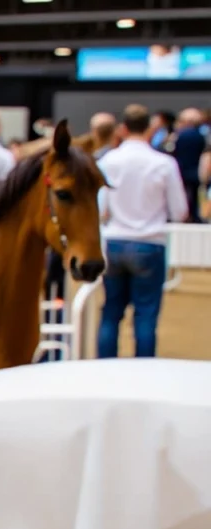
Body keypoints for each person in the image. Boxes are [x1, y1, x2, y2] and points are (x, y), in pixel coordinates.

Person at [96, 104, 189, 359]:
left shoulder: (108, 161)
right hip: (150, 243)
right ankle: (144, 373)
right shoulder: (164, 163)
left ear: (122, 129)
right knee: (146, 316)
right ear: (149, 129)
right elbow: (179, 210)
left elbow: (100, 208)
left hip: (113, 242)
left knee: (110, 313)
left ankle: (103, 369)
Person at [172, 108, 207, 222]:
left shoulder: (180, 136)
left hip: (181, 170)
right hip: (196, 171)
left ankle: (184, 216)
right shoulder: (200, 136)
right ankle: (195, 217)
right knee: (195, 198)